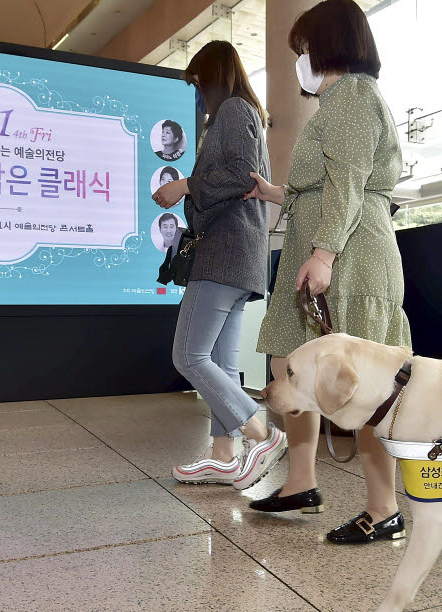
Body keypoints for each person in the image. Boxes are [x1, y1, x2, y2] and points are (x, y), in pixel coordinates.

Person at [243, 0, 411, 544]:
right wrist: (278, 193)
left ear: (328, 44)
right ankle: (300, 481)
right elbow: (327, 182)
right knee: (292, 368)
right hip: (331, 249)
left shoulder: (354, 97)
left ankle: (384, 508)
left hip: (351, 255)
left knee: (364, 384)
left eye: (304, 49)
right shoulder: (340, 100)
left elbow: (349, 185)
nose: (300, 60)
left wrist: (325, 254)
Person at [151, 41, 284, 489]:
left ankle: (259, 435)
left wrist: (186, 185)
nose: (195, 94)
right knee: (223, 367)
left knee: (188, 354)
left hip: (225, 251)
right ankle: (224, 456)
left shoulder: (232, 110)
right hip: (240, 254)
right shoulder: (246, 113)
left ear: (210, 76)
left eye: (196, 83)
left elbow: (242, 176)